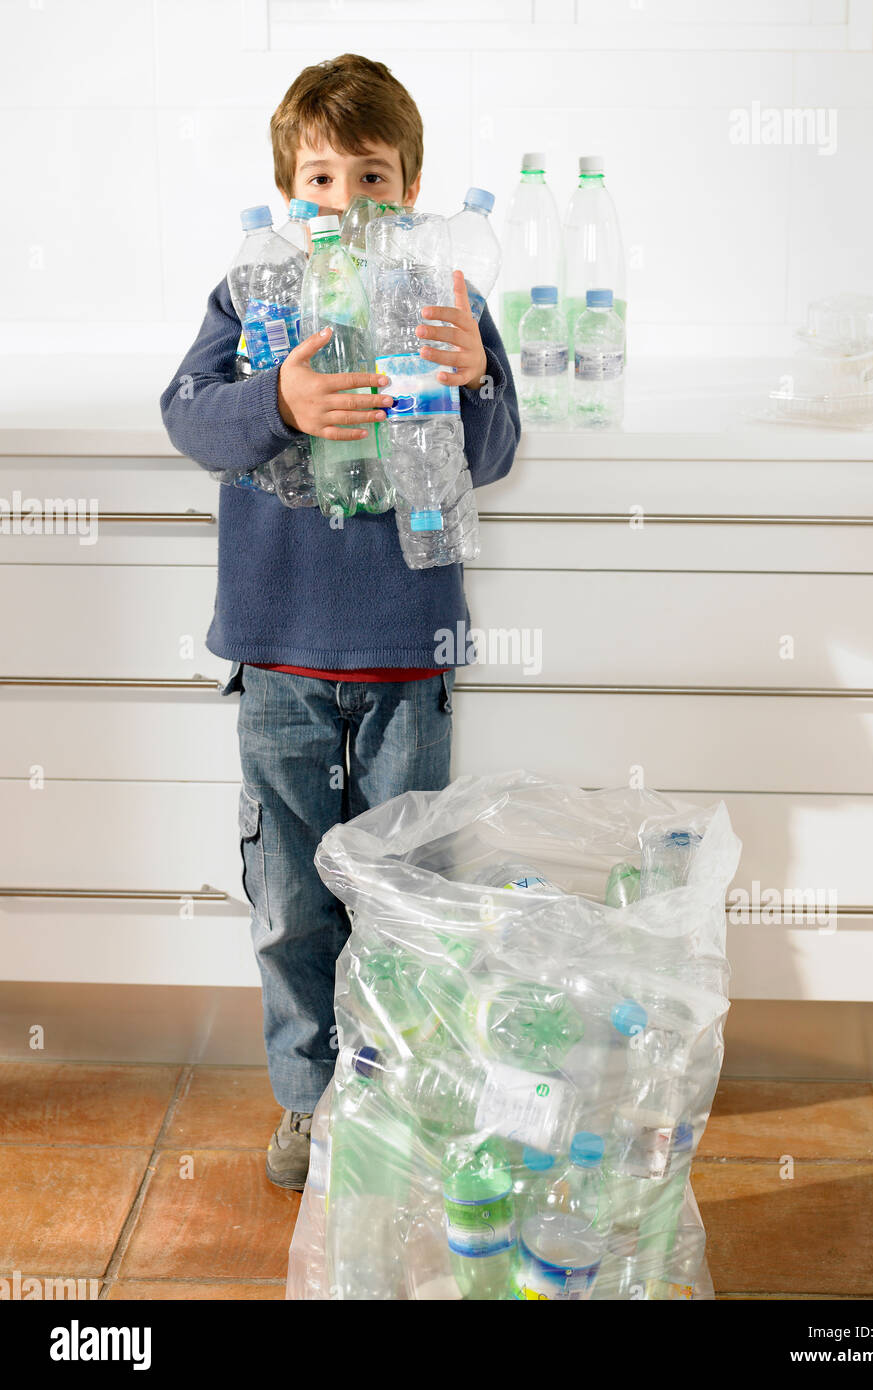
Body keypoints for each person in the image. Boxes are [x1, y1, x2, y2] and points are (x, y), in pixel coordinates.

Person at [160, 54, 520, 1190]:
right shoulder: (249, 295)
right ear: (288, 194)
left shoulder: (445, 302)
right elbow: (190, 419)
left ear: (410, 193)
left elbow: (498, 449)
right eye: (322, 180)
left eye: (372, 179)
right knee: (290, 905)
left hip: (409, 651)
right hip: (276, 654)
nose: (346, 205)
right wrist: (280, 400)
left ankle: (400, 1094)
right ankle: (312, 1105)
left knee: (406, 899)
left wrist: (471, 381)